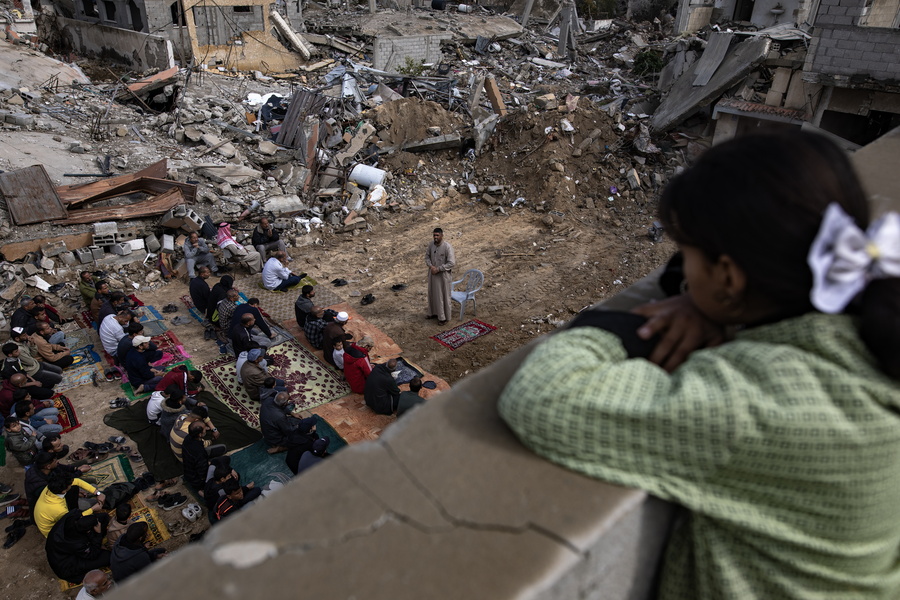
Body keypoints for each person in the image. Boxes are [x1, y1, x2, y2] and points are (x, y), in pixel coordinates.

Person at [498, 132, 900, 599]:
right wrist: (706, 299)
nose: (681, 271)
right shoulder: (872, 316)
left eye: (687, 256)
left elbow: (544, 395)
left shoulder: (755, 401)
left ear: (730, 276)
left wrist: (611, 326)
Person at [45, 512, 111, 584]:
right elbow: (93, 554)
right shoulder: (77, 543)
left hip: (61, 548)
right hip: (67, 564)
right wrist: (98, 535)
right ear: (87, 531)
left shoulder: (72, 517)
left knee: (103, 517)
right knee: (108, 557)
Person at [35, 471, 106, 537]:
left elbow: (77, 481)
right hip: (57, 533)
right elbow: (72, 522)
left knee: (93, 487)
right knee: (95, 510)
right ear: (63, 491)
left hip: (60, 510)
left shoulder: (51, 487)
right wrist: (92, 509)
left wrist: (97, 493)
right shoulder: (59, 509)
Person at [24, 451, 93, 510]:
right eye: (55, 461)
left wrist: (76, 469)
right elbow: (58, 496)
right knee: (91, 504)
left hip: (61, 493)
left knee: (92, 487)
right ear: (48, 466)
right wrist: (74, 493)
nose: (58, 462)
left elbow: (63, 473)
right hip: (54, 505)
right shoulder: (41, 485)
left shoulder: (43, 468)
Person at [425, 227, 456, 325]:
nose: (435, 237)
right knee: (433, 294)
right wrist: (431, 266)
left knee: (442, 296)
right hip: (432, 275)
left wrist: (438, 269)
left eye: (437, 235)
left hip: (443, 276)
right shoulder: (431, 245)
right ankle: (433, 313)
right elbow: (427, 257)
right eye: (434, 235)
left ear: (442, 235)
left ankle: (443, 318)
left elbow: (451, 263)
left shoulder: (447, 247)